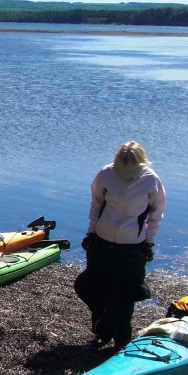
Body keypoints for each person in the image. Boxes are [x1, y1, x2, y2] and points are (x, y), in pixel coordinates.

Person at [75, 141, 166, 350]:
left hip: (132, 247)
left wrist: (149, 242)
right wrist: (91, 233)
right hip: (102, 242)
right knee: (94, 287)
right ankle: (101, 333)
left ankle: (122, 340)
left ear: (139, 163)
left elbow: (155, 215)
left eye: (130, 168)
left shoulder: (151, 180)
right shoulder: (106, 174)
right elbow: (96, 205)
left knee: (125, 296)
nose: (125, 173)